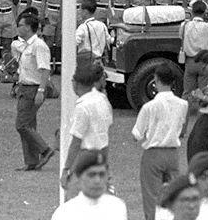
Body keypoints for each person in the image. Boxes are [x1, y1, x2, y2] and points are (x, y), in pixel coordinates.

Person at [132, 63, 188, 220]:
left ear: (156, 80)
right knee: (175, 196)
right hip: (172, 153)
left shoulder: (149, 107)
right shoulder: (183, 105)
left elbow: (137, 134)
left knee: (152, 199)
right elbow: (182, 128)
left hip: (153, 153)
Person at [11, 14, 55, 171]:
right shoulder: (27, 45)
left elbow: (45, 70)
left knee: (22, 124)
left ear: (29, 27)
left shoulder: (39, 45)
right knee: (29, 124)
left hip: (33, 88)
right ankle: (31, 161)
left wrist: (41, 91)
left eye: (21, 25)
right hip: (25, 87)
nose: (18, 28)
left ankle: (45, 150)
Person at [61, 64, 113, 195]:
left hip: (86, 154)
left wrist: (67, 168)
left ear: (76, 84)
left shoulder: (82, 106)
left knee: (74, 195)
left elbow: (77, 141)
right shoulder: (102, 99)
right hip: (103, 150)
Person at [50, 150, 127, 220]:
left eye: (102, 174)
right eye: (91, 175)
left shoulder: (117, 207)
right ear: (79, 178)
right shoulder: (65, 213)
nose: (97, 180)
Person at [179, 0, 208, 101]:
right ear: (204, 12)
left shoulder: (184, 26)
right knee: (205, 93)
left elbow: (181, 37)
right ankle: (204, 114)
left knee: (187, 92)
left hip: (190, 62)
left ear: (192, 12)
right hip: (205, 62)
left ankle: (184, 113)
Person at [76, 0, 113, 67]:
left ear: (85, 12)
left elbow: (74, 42)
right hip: (99, 62)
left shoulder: (83, 27)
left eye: (80, 10)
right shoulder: (102, 25)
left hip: (85, 63)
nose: (79, 12)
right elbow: (109, 40)